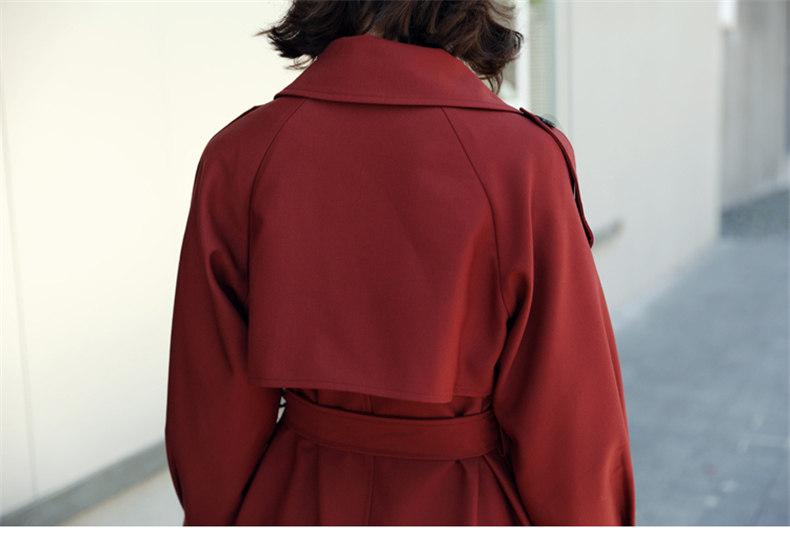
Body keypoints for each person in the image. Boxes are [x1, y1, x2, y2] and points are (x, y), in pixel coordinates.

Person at [164, 0, 635, 526]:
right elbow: (570, 418)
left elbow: (210, 411)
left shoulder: (241, 154)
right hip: (464, 503)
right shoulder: (523, 163)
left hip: (296, 498)